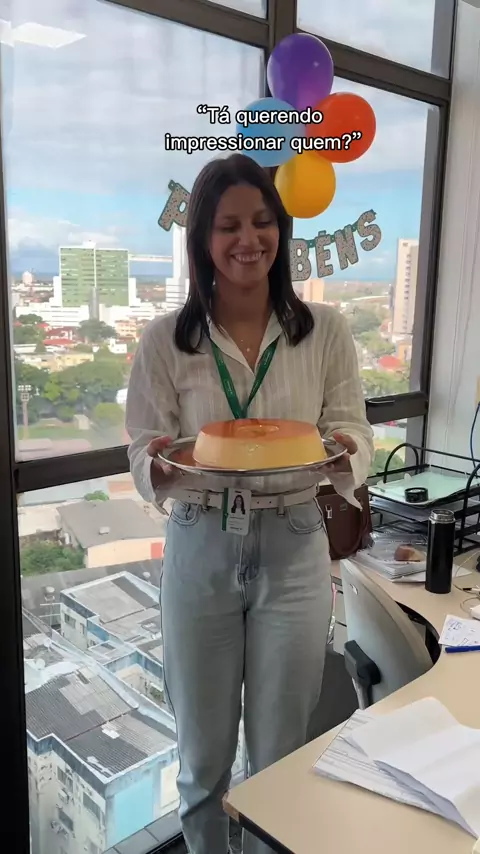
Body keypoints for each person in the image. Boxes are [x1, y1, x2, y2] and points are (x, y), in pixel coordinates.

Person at [126, 153, 374, 854]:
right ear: (203, 239)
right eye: (228, 225)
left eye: (263, 222)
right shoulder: (165, 341)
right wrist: (161, 464)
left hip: (295, 543)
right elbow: (142, 449)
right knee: (202, 762)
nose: (248, 239)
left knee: (279, 760)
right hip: (201, 542)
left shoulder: (324, 329)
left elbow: (354, 428)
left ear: (281, 231)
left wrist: (340, 451)